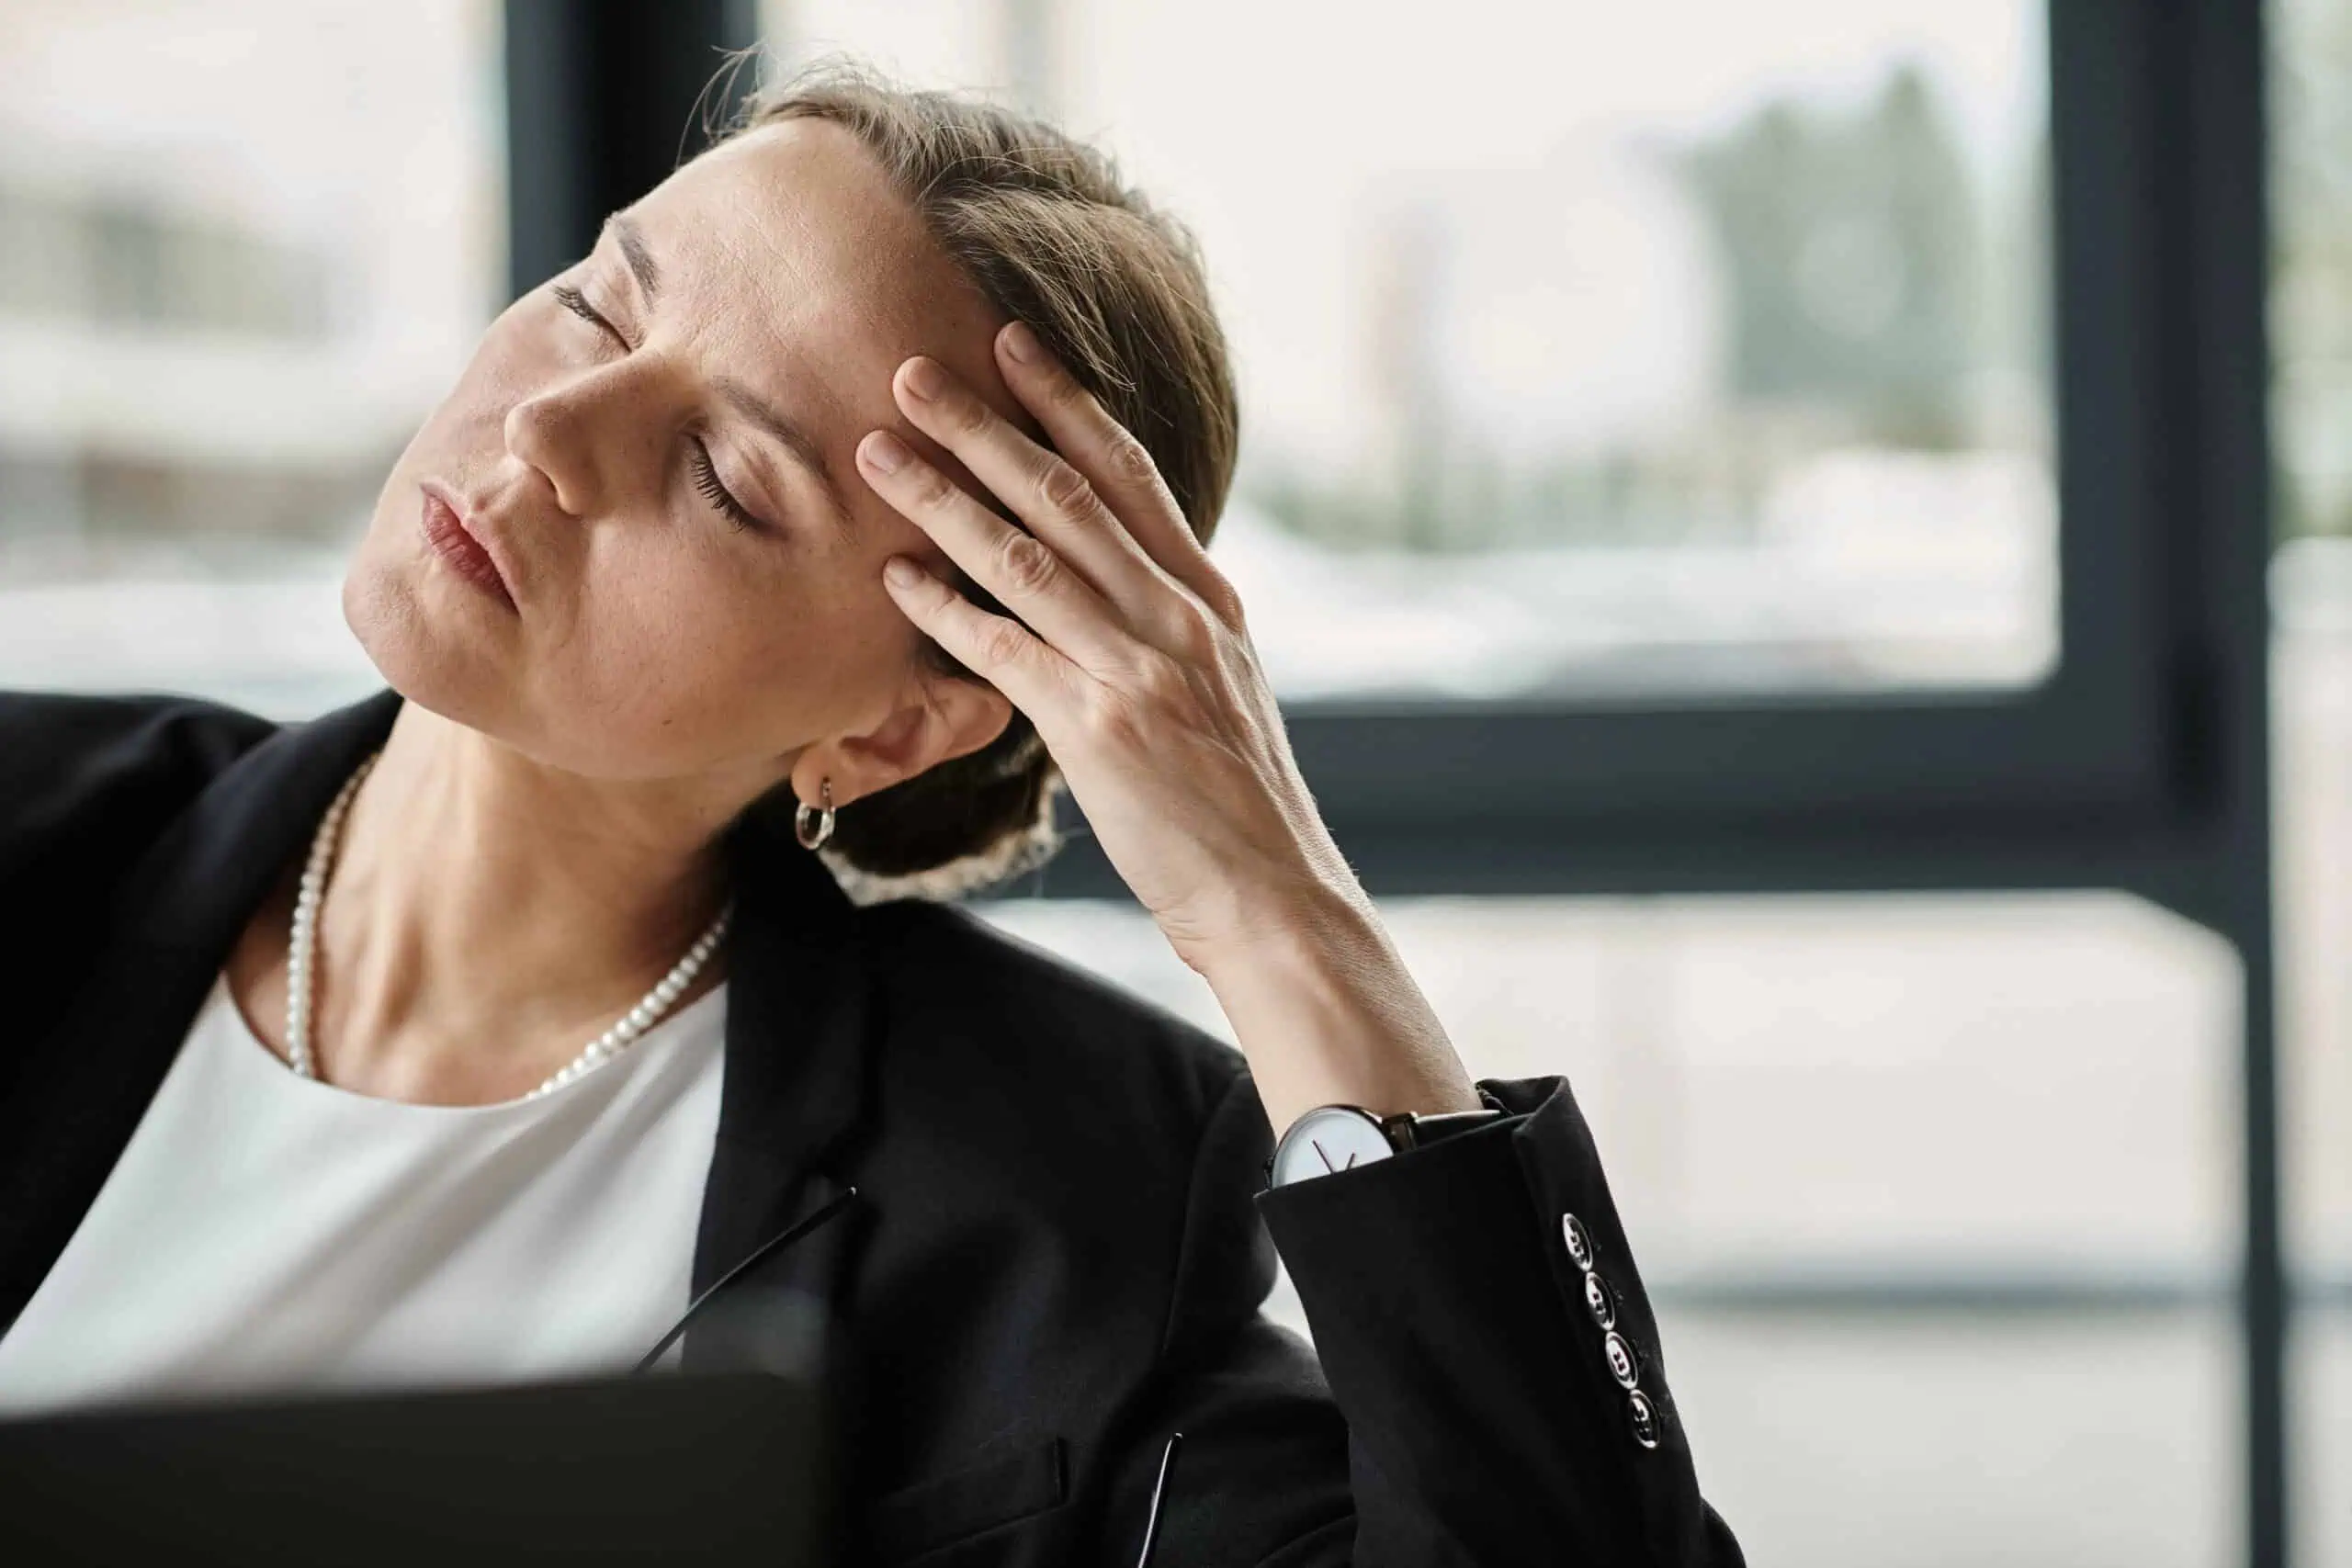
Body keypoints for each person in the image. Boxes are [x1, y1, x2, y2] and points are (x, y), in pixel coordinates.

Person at [0, 61, 1744, 1565]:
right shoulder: (35, 837)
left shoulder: (1046, 1207)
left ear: (898, 721)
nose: (551, 428)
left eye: (726, 477)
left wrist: (1274, 908)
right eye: (600, 303)